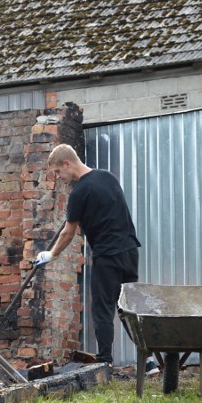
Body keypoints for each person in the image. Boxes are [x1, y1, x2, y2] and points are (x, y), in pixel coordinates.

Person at [33, 143, 142, 365]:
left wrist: (51, 254)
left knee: (102, 309)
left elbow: (68, 233)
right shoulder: (107, 177)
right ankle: (148, 358)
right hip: (130, 252)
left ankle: (104, 362)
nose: (59, 177)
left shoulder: (79, 192)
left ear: (67, 163)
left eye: (57, 171)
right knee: (129, 308)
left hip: (107, 255)